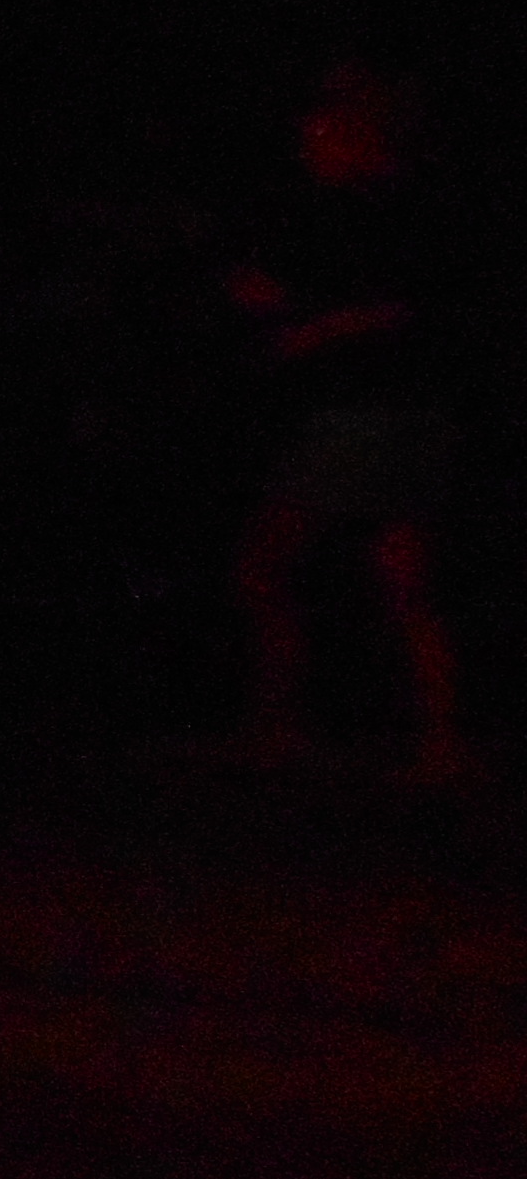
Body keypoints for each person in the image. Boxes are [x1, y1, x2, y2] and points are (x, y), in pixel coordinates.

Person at [226, 64, 467, 783]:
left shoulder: (364, 211)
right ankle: (443, 741)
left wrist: (304, 330)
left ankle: (280, 727)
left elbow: (382, 309)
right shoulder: (410, 209)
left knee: (263, 568)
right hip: (419, 417)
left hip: (360, 421)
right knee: (407, 584)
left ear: (363, 137)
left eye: (325, 129)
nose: (308, 139)